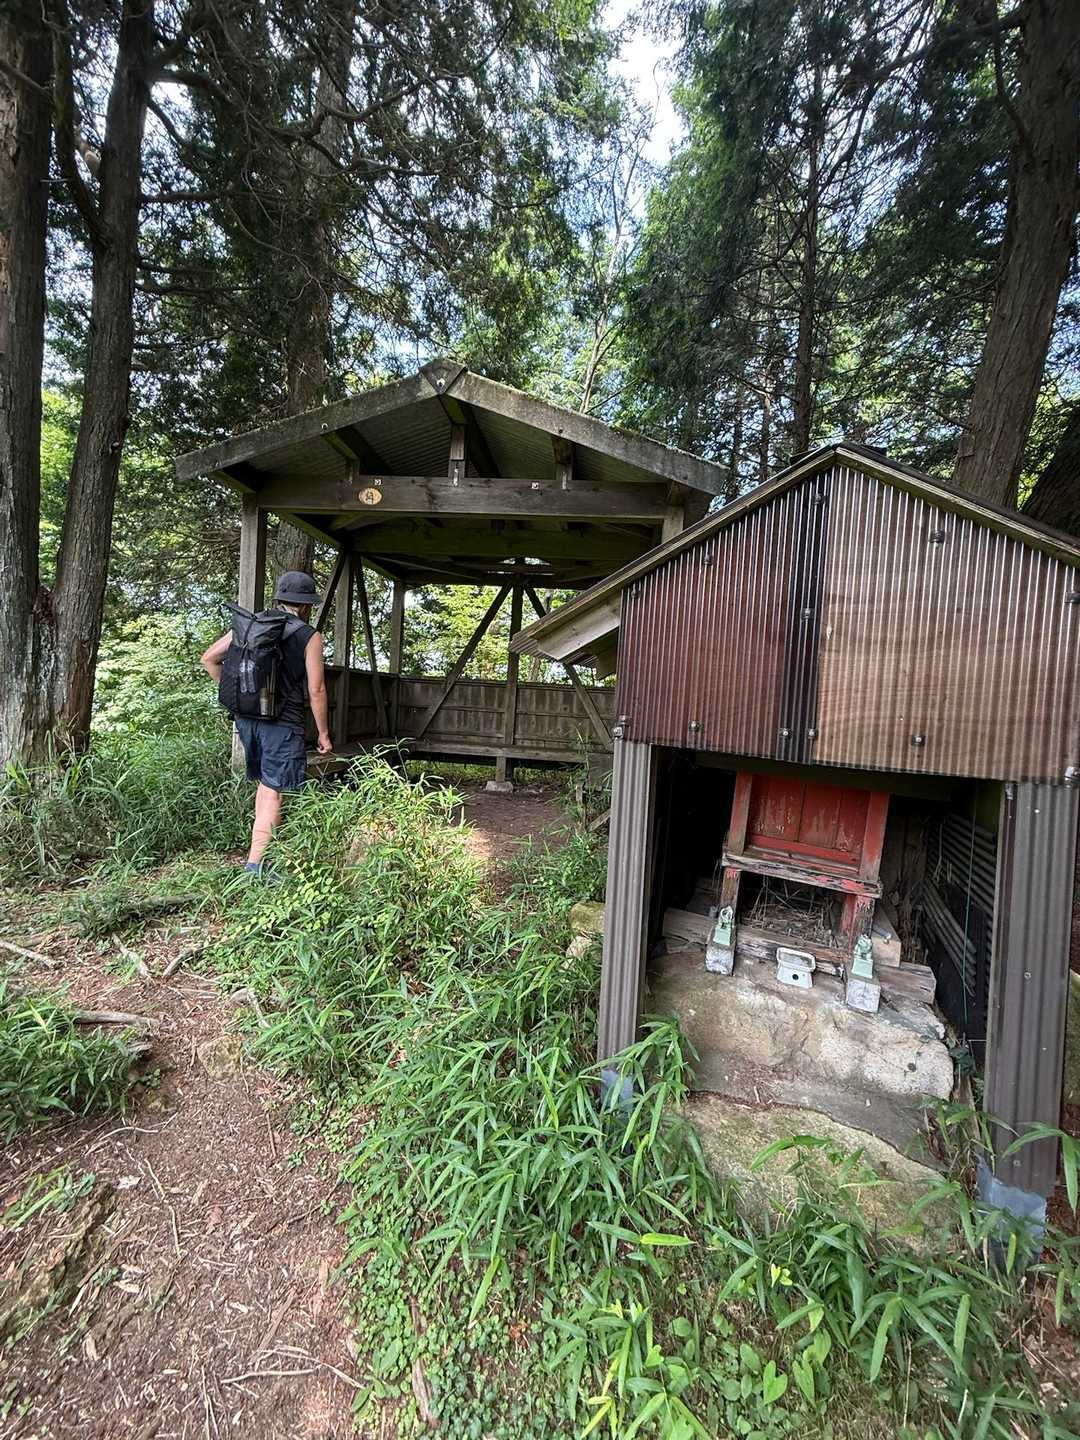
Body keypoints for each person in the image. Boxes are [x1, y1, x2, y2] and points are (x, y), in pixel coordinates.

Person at [201, 571, 334, 874]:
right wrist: (323, 733)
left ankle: (258, 855)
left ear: (280, 599)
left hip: (247, 720)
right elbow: (316, 690)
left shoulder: (252, 623)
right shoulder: (309, 636)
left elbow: (209, 659)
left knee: (266, 786)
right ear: (306, 605)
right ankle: (255, 867)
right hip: (281, 724)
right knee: (274, 791)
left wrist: (241, 698)